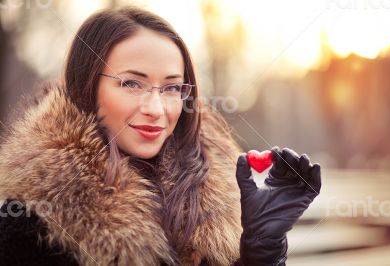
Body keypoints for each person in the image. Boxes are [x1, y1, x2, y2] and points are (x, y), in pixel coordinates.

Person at [0, 6, 321, 266]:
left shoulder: (212, 202)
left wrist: (262, 252)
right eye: (131, 83)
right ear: (87, 88)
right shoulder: (31, 222)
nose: (156, 108)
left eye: (171, 88)